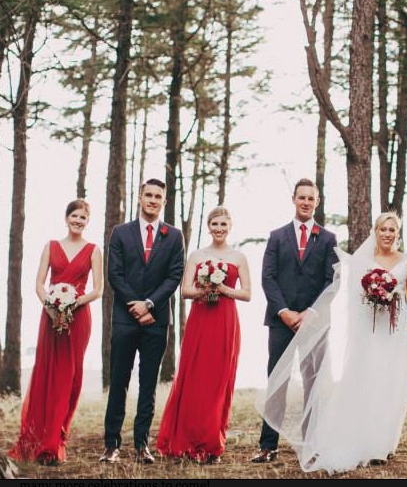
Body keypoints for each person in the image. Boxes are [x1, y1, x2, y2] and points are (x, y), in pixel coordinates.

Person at [257, 212, 407, 473]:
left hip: (395, 330)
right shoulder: (362, 260)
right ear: (375, 231)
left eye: (392, 230)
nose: (388, 233)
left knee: (392, 383)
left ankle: (384, 442)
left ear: (398, 233)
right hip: (369, 329)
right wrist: (374, 297)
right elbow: (352, 296)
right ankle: (366, 440)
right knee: (367, 380)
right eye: (383, 229)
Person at [251, 178, 339, 464]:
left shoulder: (327, 238)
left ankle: (311, 443)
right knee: (277, 381)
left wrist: (310, 312)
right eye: (302, 197)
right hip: (281, 322)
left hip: (314, 322)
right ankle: (268, 445)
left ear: (317, 202)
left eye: (311, 198)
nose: (306, 202)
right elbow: (268, 277)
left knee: (313, 383)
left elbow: (332, 281)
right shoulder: (277, 236)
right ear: (293, 199)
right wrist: (284, 311)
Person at [10, 199, 103, 466]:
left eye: (83, 217)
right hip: (50, 317)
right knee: (47, 373)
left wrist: (73, 303)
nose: (78, 221)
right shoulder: (51, 247)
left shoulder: (94, 250)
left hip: (79, 318)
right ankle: (37, 438)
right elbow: (39, 284)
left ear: (87, 221)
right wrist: (51, 307)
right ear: (66, 218)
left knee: (70, 377)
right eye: (74, 216)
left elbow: (97, 290)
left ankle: (55, 440)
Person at [100, 179, 185, 465]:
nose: (152, 200)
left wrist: (149, 304)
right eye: (148, 195)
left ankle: (141, 446)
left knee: (148, 385)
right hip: (125, 319)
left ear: (164, 201)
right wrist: (135, 306)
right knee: (119, 381)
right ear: (140, 198)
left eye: (157, 196)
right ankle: (111, 446)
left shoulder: (174, 236)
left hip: (157, 320)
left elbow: (174, 276)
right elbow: (115, 273)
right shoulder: (121, 232)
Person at [156, 206, 251, 463]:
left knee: (219, 381)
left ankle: (211, 444)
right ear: (209, 227)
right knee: (195, 378)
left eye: (223, 224)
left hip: (225, 322)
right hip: (201, 320)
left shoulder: (239, 257)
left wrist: (222, 288)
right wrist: (205, 288)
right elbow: (185, 290)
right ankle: (187, 441)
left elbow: (247, 294)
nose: (219, 229)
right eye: (214, 224)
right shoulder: (197, 255)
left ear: (229, 226)